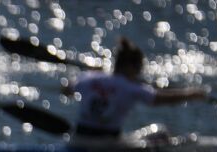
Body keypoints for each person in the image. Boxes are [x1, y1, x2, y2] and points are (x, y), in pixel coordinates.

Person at [64, 38, 208, 138]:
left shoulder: (88, 77)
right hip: (107, 140)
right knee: (160, 132)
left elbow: (67, 89)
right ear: (130, 67)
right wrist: (191, 94)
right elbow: (159, 99)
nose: (139, 73)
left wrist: (92, 73)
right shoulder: (132, 88)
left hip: (80, 135)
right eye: (139, 68)